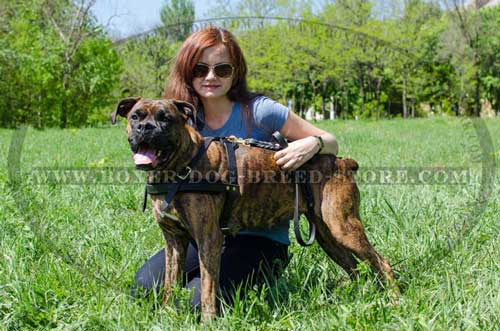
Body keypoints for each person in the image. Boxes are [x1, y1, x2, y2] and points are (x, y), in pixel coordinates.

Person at [131, 26, 339, 308]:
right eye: (200, 68)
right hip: (203, 232)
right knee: (144, 288)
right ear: (187, 70)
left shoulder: (259, 110)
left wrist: (312, 143)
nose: (210, 77)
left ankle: (261, 272)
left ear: (236, 71)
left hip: (258, 238)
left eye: (222, 69)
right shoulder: (179, 118)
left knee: (194, 305)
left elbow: (331, 141)